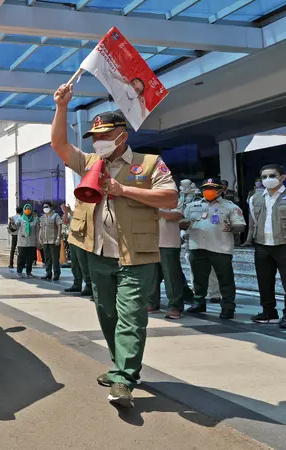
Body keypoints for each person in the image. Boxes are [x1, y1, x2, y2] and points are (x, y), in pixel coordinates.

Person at [52, 84, 177, 409]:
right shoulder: (90, 162)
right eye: (95, 136)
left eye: (104, 135)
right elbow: (60, 145)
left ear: (122, 135)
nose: (98, 141)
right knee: (107, 314)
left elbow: (169, 197)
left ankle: (123, 379)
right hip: (97, 255)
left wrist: (124, 190)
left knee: (132, 317)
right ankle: (119, 365)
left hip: (136, 257)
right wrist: (62, 107)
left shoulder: (148, 164)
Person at [181, 178, 246, 320]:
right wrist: (182, 225)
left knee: (225, 280)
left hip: (220, 248)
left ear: (220, 190)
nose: (207, 191)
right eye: (205, 188)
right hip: (197, 247)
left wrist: (233, 227)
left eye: (211, 188)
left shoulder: (230, 207)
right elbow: (183, 222)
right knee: (199, 280)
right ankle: (199, 303)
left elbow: (241, 225)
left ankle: (228, 307)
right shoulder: (192, 206)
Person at [246, 165, 286, 329]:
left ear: (282, 177)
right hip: (262, 245)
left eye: (272, 175)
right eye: (264, 177)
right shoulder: (255, 199)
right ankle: (269, 312)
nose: (267, 179)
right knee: (264, 281)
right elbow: (254, 222)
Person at [149, 200, 194, 319]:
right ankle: (151, 303)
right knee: (151, 275)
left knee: (171, 276)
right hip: (150, 242)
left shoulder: (174, 199)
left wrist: (154, 209)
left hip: (168, 242)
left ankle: (175, 306)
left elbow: (176, 215)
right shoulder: (146, 197)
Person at [62, 203, 93, 296]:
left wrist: (69, 211)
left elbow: (82, 218)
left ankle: (89, 285)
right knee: (74, 264)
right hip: (73, 239)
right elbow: (66, 221)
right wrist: (66, 212)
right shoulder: (75, 207)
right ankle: (77, 284)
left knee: (83, 264)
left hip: (81, 240)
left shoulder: (87, 206)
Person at [39, 201, 62, 281]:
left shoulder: (56, 216)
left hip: (54, 241)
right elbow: (41, 228)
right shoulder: (42, 217)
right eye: (44, 207)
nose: (45, 208)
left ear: (51, 207)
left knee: (55, 259)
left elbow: (59, 226)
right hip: (45, 241)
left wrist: (58, 238)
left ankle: (56, 274)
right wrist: (40, 238)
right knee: (47, 258)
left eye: (46, 207)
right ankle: (48, 273)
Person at [15, 204, 39, 278]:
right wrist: (13, 223)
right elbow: (16, 226)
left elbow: (37, 231)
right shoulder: (20, 219)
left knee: (30, 258)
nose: (27, 210)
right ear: (23, 210)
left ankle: (29, 272)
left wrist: (38, 241)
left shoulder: (35, 220)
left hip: (32, 242)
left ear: (31, 210)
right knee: (21, 258)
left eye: (29, 208)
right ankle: (19, 272)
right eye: (26, 208)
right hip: (22, 242)